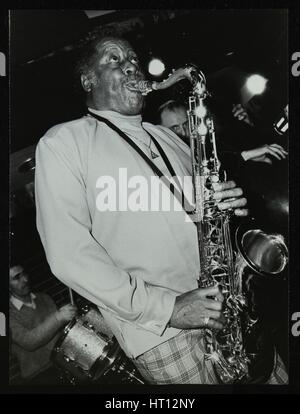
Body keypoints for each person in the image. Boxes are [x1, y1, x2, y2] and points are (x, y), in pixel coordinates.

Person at [35, 35, 287, 384]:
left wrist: (226, 201)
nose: (130, 64)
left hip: (230, 307)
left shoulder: (167, 137)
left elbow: (200, 212)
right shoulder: (63, 142)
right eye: (113, 59)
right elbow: (68, 255)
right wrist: (168, 309)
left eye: (133, 58)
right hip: (162, 334)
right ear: (88, 80)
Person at [9, 262, 77, 384]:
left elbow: (62, 333)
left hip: (64, 364)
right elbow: (29, 342)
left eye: (24, 273)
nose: (25, 279)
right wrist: (58, 317)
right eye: (16, 277)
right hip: (39, 375)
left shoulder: (44, 298)